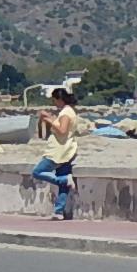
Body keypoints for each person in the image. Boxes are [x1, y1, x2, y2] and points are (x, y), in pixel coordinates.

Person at [31, 88, 82, 220]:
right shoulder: (69, 111)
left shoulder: (66, 113)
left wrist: (49, 120)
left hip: (59, 151)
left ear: (59, 99)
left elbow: (62, 130)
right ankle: (59, 211)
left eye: (54, 100)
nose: (54, 103)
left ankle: (64, 180)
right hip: (67, 149)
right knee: (63, 182)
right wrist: (49, 118)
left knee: (38, 172)